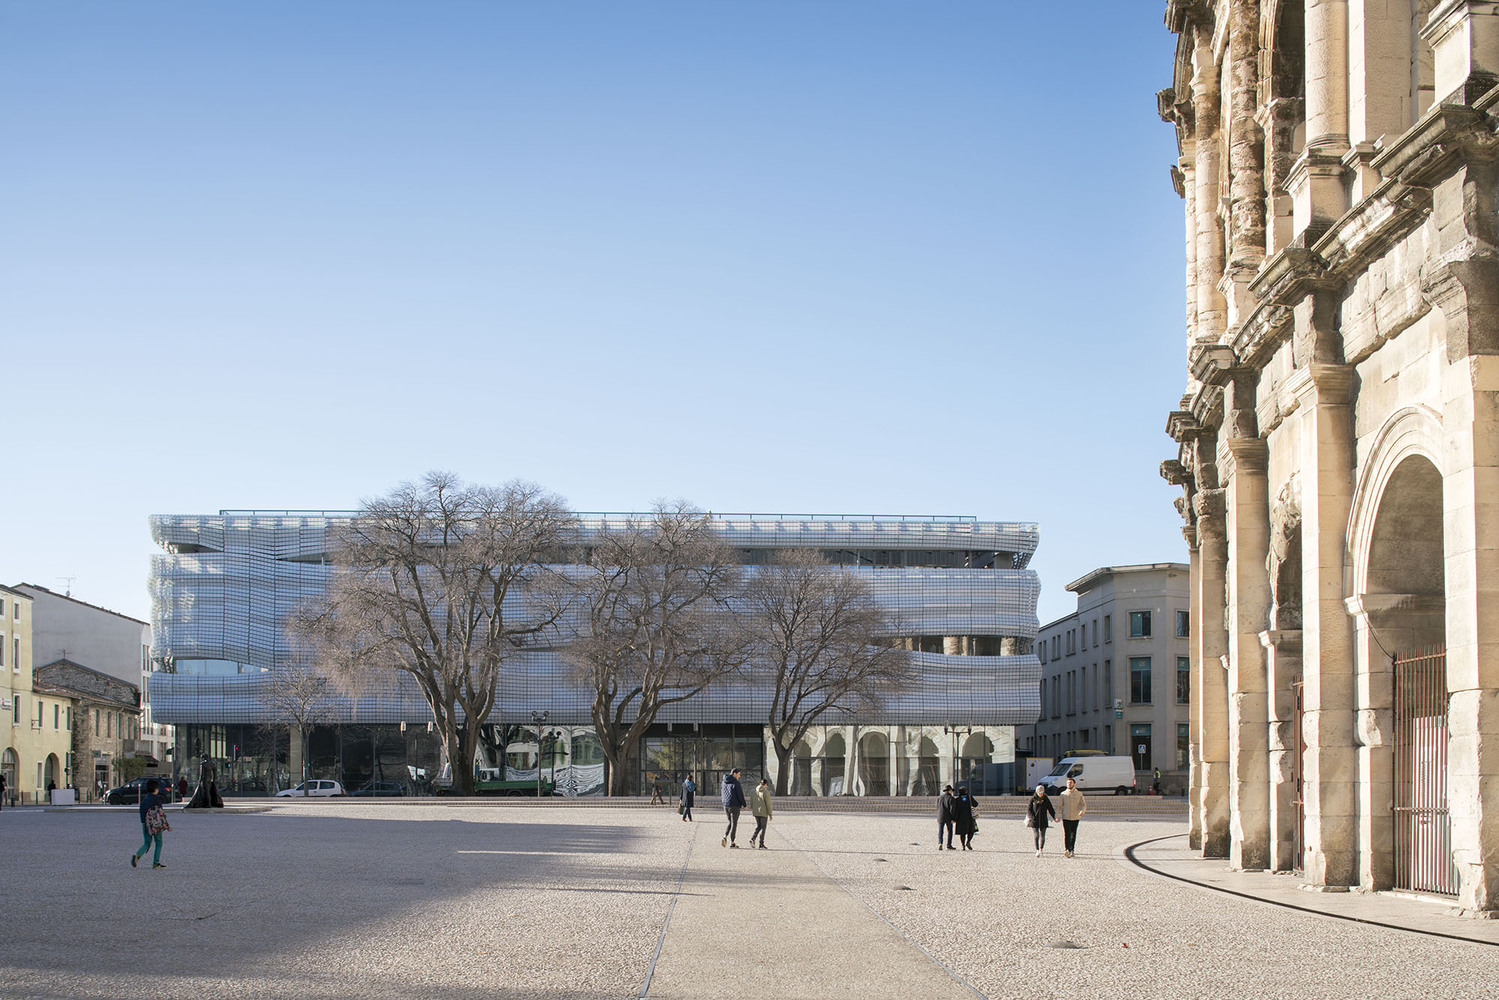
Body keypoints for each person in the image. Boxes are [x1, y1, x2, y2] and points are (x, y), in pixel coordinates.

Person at [130, 778, 171, 869]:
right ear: (156, 789)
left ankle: (137, 855)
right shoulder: (157, 800)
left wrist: (143, 823)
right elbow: (161, 814)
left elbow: (142, 812)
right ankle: (156, 863)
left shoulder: (144, 800)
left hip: (146, 824)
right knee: (159, 843)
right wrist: (167, 826)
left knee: (147, 843)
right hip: (156, 825)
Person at [1058, 776, 1087, 857]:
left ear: (1074, 784)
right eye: (1067, 783)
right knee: (1067, 833)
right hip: (1066, 816)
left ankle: (1072, 849)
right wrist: (1057, 815)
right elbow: (1059, 805)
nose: (1069, 784)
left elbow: (1083, 804)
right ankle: (1067, 849)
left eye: (1070, 783)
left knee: (1073, 833)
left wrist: (1082, 811)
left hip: (1075, 816)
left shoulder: (1079, 794)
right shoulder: (1063, 794)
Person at [1026, 784, 1056, 857]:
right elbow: (1029, 810)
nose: (1040, 792)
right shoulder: (1033, 799)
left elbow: (1050, 809)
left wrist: (1055, 817)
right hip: (1034, 820)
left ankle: (1041, 849)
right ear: (1036, 791)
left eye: (1042, 790)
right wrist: (1032, 817)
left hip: (1043, 819)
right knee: (1036, 835)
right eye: (1039, 790)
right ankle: (1037, 850)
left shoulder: (1046, 798)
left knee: (1043, 836)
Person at [720, 767, 747, 848]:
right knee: (734, 823)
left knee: (730, 822)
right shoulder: (736, 783)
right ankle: (732, 842)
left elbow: (722, 793)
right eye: (738, 775)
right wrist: (744, 805)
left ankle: (725, 836)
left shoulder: (724, 782)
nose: (739, 776)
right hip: (734, 805)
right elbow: (740, 795)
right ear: (734, 774)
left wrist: (724, 802)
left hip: (726, 805)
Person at [748, 778, 774, 849]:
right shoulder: (766, 792)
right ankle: (761, 844)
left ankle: (753, 838)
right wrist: (770, 814)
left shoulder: (754, 791)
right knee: (763, 827)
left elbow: (751, 802)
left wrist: (753, 809)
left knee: (759, 826)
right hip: (763, 812)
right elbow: (768, 804)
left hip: (756, 812)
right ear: (765, 784)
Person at [952, 785, 979, 850]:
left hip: (960, 818)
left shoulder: (957, 800)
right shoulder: (969, 797)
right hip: (970, 817)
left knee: (962, 833)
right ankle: (968, 842)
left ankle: (963, 845)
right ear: (966, 791)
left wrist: (954, 818)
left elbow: (955, 810)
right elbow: (976, 804)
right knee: (972, 831)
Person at [936, 785, 956, 850]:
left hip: (940, 816)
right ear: (950, 791)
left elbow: (937, 806)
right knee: (950, 831)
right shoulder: (951, 798)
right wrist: (953, 818)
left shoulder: (939, 797)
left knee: (940, 830)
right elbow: (952, 809)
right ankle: (949, 844)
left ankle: (940, 843)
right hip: (948, 817)